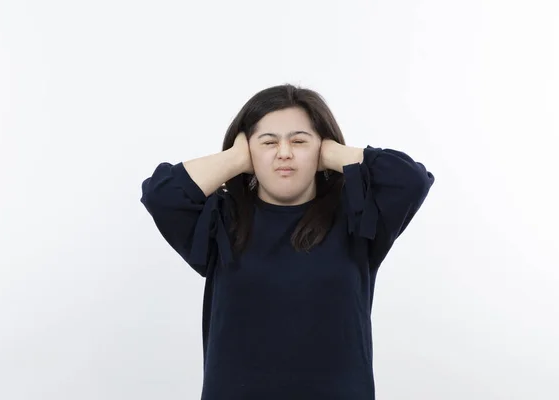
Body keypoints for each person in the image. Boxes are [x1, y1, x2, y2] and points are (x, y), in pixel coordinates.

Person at [140, 83, 435, 399]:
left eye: (299, 141)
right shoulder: (221, 220)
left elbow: (410, 180)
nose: (284, 152)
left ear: (322, 149)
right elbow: (160, 194)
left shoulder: (358, 217)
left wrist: (335, 153)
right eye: (268, 142)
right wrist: (236, 158)